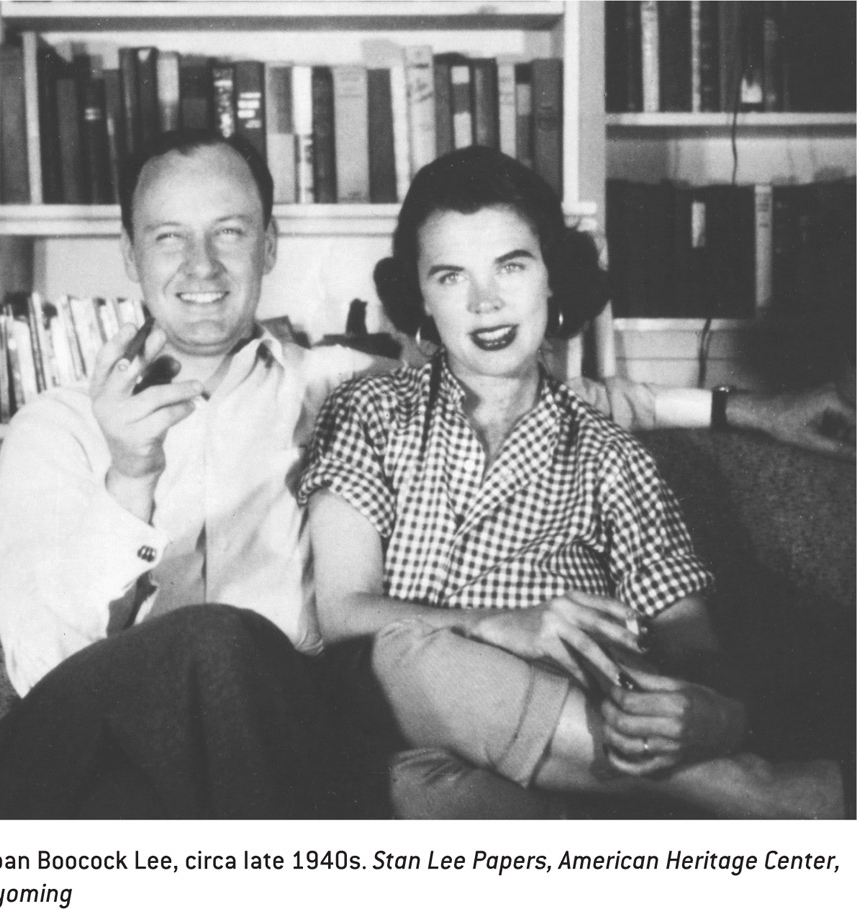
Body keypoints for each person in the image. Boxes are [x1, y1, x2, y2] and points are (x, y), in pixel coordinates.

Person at [0, 129, 852, 818]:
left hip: (268, 755)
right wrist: (130, 475)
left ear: (269, 245)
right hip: (86, 747)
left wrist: (748, 410)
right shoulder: (56, 429)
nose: (201, 268)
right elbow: (41, 664)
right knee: (226, 641)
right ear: (131, 257)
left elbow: (530, 383)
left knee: (369, 762)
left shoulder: (330, 385)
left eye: (229, 233)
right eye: (169, 238)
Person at [297, 146, 849, 819]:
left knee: (431, 791)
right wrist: (500, 626)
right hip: (413, 727)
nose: (485, 301)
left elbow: (691, 641)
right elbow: (344, 611)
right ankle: (749, 789)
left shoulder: (609, 453)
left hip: (577, 732)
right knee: (406, 659)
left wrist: (711, 713)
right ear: (422, 299)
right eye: (450, 277)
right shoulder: (371, 410)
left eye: (511, 265)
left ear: (552, 278)